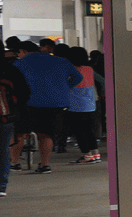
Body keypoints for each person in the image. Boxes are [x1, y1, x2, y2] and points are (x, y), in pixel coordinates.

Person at [9, 39, 80, 174]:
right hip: (55, 103)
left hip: (28, 102)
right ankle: (45, 165)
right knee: (46, 135)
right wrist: (64, 88)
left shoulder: (19, 63)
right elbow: (77, 77)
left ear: (22, 51)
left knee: (19, 133)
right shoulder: (61, 61)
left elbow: (13, 83)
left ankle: (15, 163)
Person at [62, 48, 100, 164]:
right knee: (90, 131)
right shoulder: (89, 69)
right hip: (90, 105)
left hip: (75, 106)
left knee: (79, 132)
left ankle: (86, 155)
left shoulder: (70, 70)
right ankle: (96, 155)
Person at [0, 52, 27, 196]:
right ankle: (1, 186)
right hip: (6, 117)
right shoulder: (11, 69)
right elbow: (24, 93)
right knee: (3, 150)